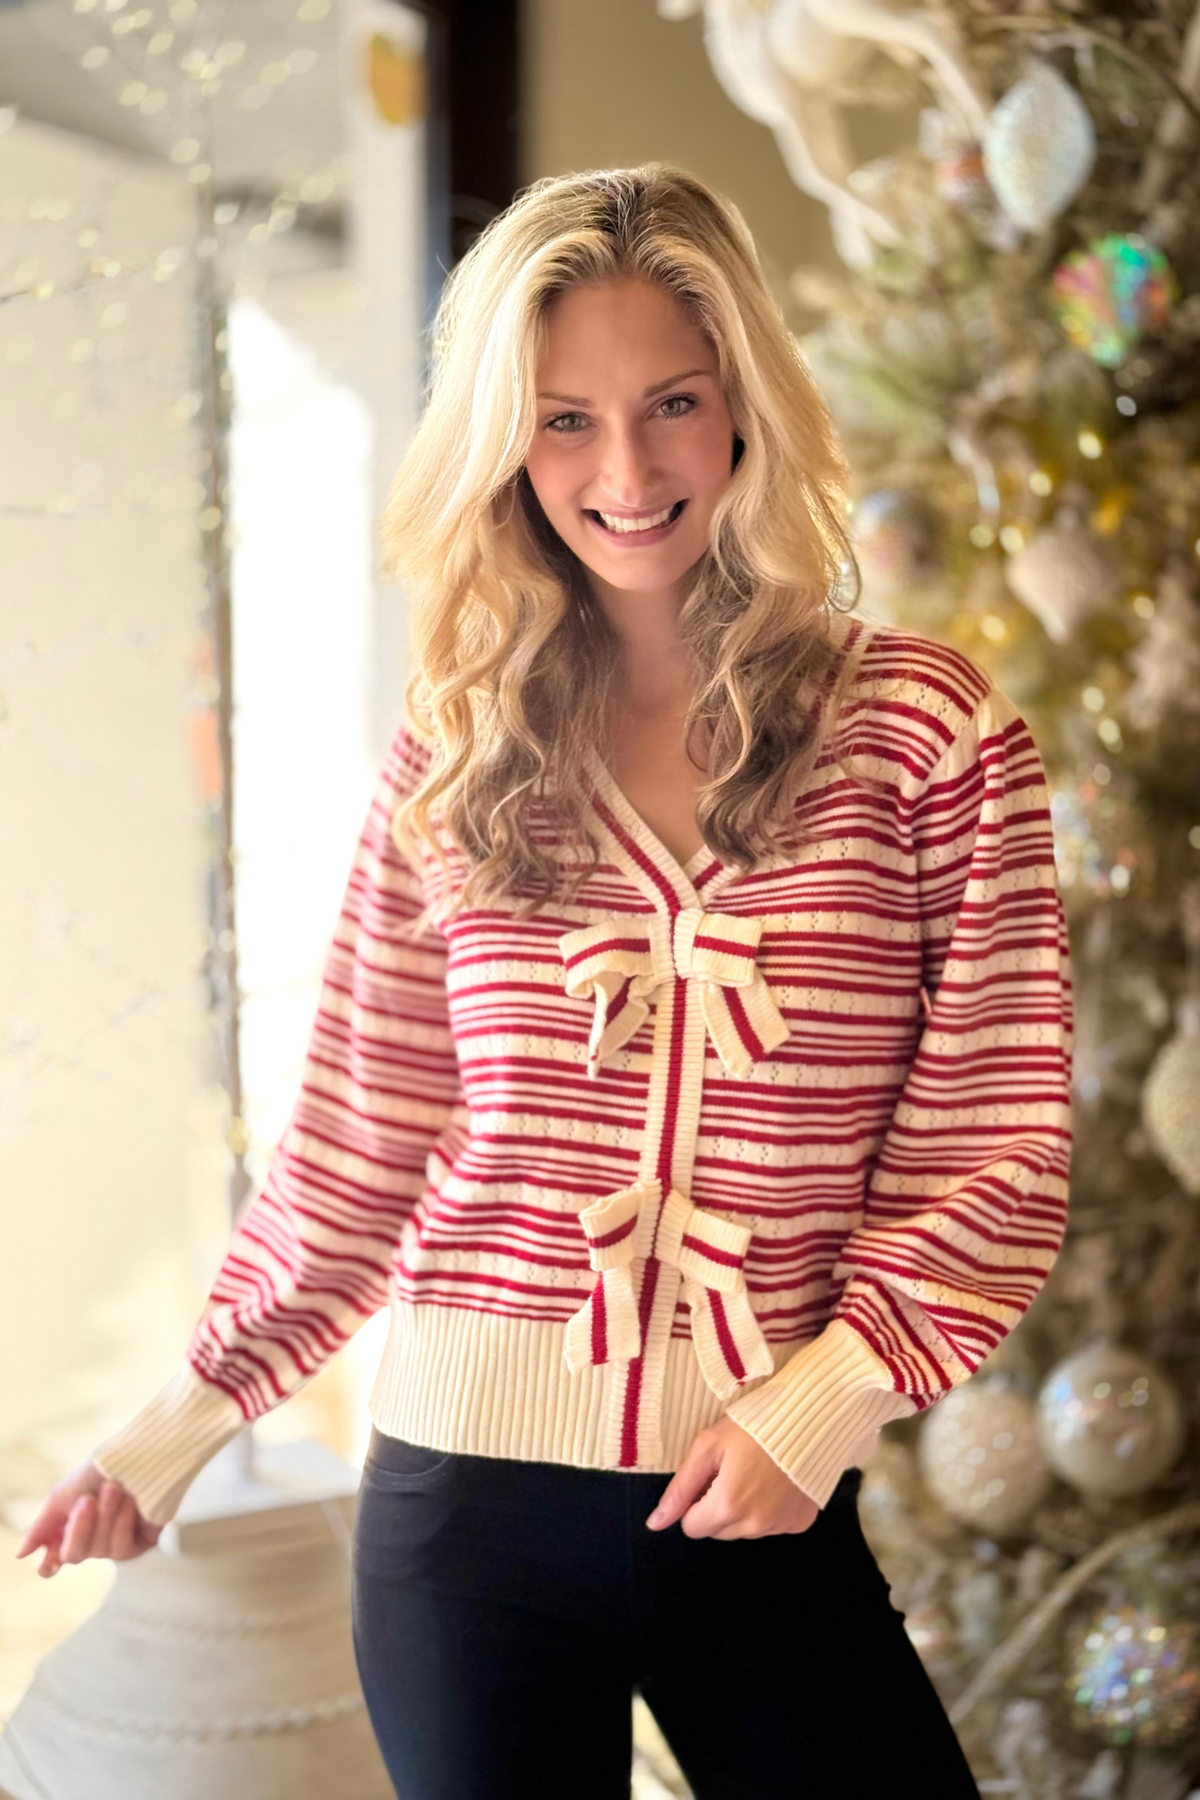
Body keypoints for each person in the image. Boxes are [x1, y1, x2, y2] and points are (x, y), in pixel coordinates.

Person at [18, 164, 1073, 1799]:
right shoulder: (459, 753)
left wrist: (823, 1403)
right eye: (564, 418)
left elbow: (993, 1147)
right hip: (463, 1528)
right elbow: (356, 1155)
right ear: (505, 440)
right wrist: (172, 1431)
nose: (628, 469)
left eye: (672, 404)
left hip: (762, 1495)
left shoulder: (928, 737)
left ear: (747, 412)